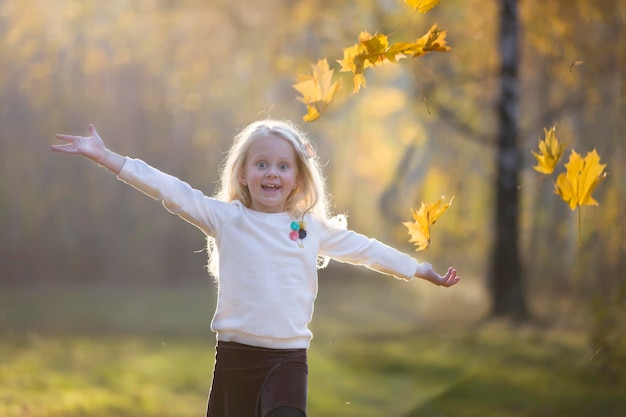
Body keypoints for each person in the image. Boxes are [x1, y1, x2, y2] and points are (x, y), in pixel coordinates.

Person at [52, 119, 460, 417]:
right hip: (234, 359)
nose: (272, 173)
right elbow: (171, 191)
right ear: (244, 174)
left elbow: (367, 250)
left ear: (298, 178)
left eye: (283, 166)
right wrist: (107, 158)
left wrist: (420, 269)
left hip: (288, 361)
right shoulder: (227, 219)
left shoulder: (309, 228)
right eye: (261, 164)